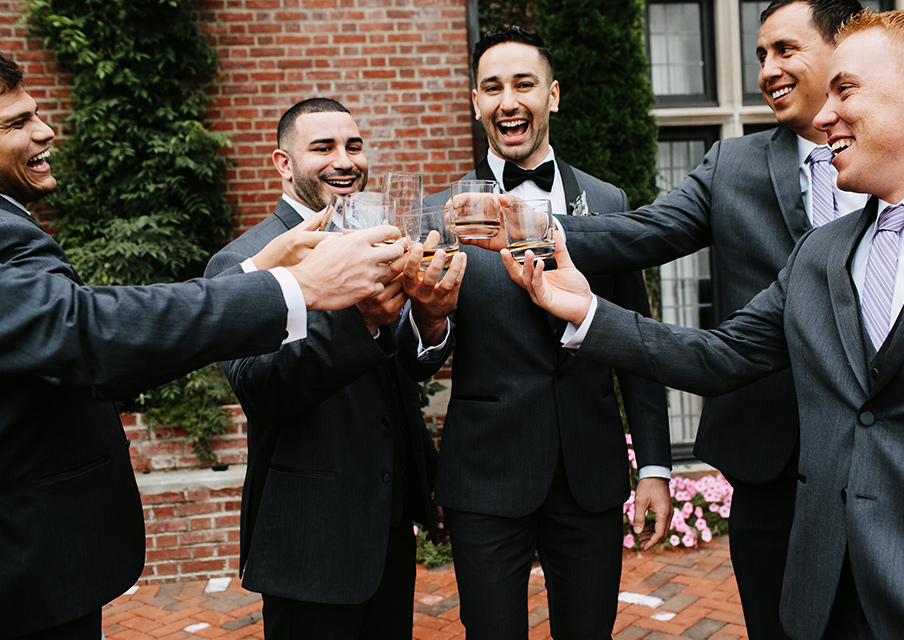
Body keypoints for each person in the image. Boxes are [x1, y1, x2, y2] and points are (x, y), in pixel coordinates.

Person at [502, 7, 904, 639]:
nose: (824, 118)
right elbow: (718, 355)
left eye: (845, 89)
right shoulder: (822, 255)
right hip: (817, 567)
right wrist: (585, 311)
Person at [0, 54, 407, 640]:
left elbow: (81, 359)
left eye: (36, 114)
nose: (45, 130)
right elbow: (81, 331)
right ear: (283, 162)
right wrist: (291, 286)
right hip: (24, 562)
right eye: (16, 123)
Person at [420, 26, 671, 640]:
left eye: (524, 84)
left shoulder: (609, 204)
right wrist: (429, 320)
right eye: (492, 88)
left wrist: (657, 467)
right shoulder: (440, 215)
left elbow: (633, 338)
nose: (509, 101)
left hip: (589, 470)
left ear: (552, 95)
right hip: (487, 473)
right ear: (477, 103)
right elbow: (418, 352)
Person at [204, 97, 464, 640]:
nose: (344, 160)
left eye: (354, 145)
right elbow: (261, 388)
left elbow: (405, 373)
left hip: (389, 523)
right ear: (283, 163)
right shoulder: (243, 261)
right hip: (309, 535)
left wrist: (433, 322)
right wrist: (361, 322)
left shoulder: (384, 241)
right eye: (322, 148)